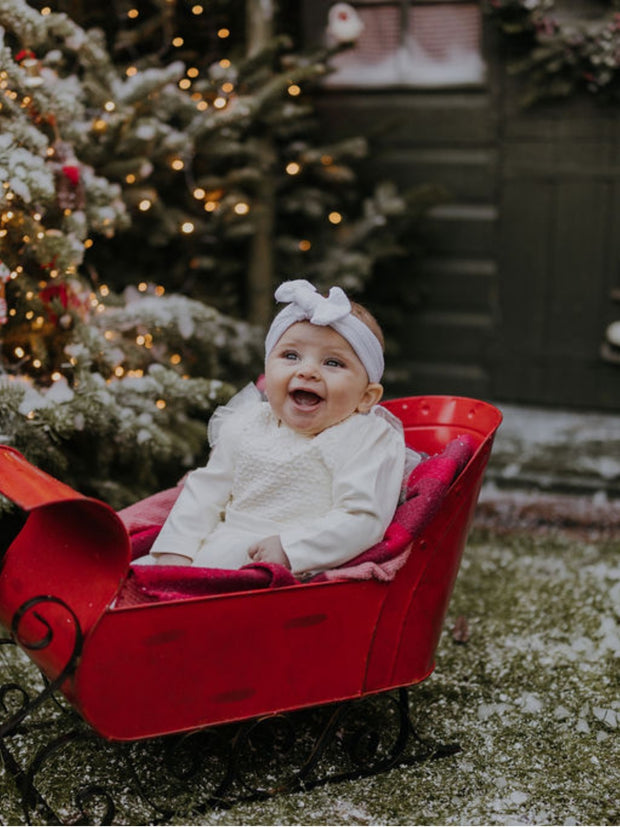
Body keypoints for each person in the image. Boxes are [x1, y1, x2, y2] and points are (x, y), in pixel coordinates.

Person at [137, 279, 417, 576]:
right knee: (130, 582)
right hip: (218, 546)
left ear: (366, 397)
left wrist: (291, 548)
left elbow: (362, 518)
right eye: (291, 356)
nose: (307, 371)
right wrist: (177, 550)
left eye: (333, 363)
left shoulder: (366, 437)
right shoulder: (248, 423)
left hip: (291, 568)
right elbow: (205, 492)